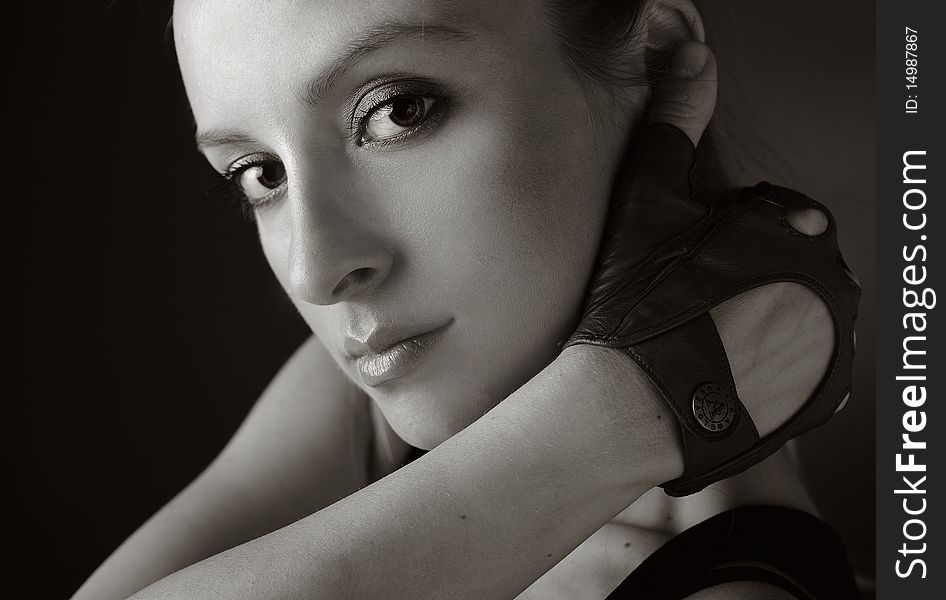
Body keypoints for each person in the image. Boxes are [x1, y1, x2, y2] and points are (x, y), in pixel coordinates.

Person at [73, 0, 862, 598]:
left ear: (652, 60)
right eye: (260, 175)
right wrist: (633, 403)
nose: (315, 271)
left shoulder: (739, 582)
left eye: (396, 111)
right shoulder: (383, 389)